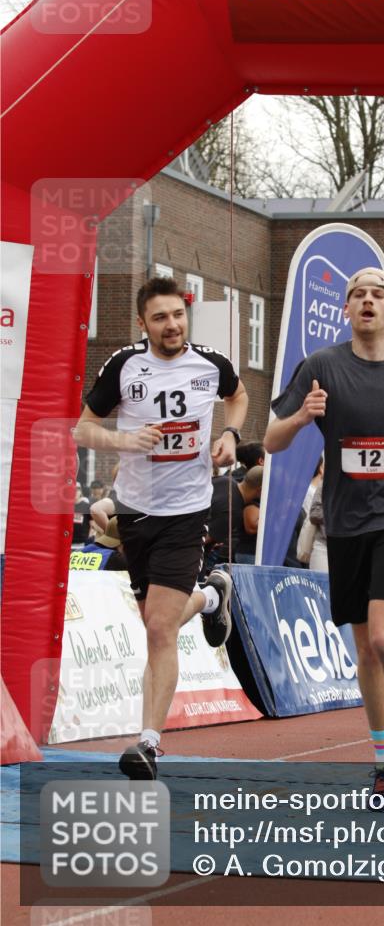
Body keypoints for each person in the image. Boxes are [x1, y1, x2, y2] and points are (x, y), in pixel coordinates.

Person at [264, 265, 384, 807]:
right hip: (346, 520)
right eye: (358, 295)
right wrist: (302, 417)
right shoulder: (322, 366)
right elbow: (271, 439)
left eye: (379, 294)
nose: (369, 301)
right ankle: (383, 758)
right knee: (366, 653)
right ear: (347, 310)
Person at [73, 276, 248, 778]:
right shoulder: (126, 366)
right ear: (143, 323)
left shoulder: (210, 364)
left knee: (158, 628)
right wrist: (121, 442)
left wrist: (232, 434)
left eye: (177, 315)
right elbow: (81, 427)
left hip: (187, 510)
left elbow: (238, 396)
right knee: (157, 619)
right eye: (160, 318)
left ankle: (148, 742)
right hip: (134, 511)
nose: (171, 325)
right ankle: (214, 596)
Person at [203, 466, 263, 573]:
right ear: (260, 489)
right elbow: (203, 539)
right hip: (188, 557)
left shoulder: (225, 480)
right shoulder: (233, 512)